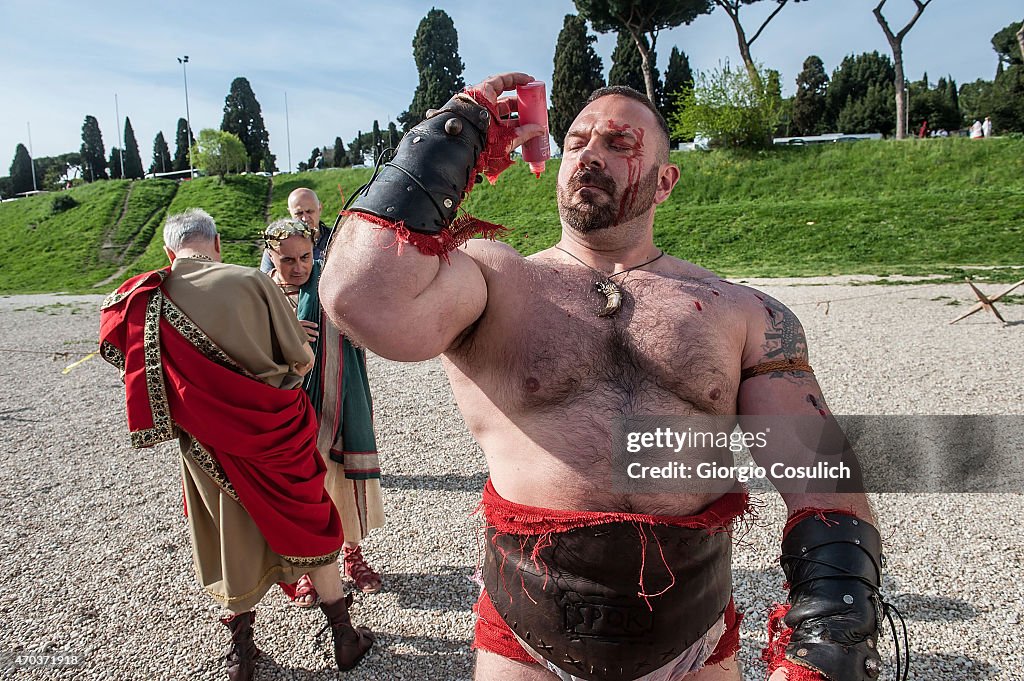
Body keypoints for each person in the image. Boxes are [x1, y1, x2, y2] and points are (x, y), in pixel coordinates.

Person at [320, 73, 891, 681]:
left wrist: (828, 645)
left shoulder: (741, 312)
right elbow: (360, 295)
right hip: (526, 640)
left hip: (693, 642)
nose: (591, 153)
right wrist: (456, 130)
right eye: (577, 141)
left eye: (620, 144)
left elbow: (822, 480)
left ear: (665, 181)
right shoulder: (493, 281)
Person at [99, 208, 373, 681]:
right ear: (217, 244)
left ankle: (241, 654)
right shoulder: (253, 282)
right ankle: (344, 637)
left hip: (207, 442)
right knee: (309, 518)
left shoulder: (147, 298)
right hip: (278, 434)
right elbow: (301, 359)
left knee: (230, 536)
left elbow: (130, 363)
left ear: (170, 252)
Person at [263, 218, 386, 602]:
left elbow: (367, 321)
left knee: (342, 482)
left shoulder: (331, 282)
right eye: (286, 260)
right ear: (270, 255)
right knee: (299, 491)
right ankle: (303, 568)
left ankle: (351, 554)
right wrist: (286, 337)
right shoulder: (259, 294)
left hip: (339, 399)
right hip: (287, 414)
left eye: (304, 257)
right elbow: (247, 353)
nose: (298, 267)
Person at [260, 187, 333, 273]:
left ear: (320, 208)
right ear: (290, 212)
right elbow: (265, 279)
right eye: (299, 213)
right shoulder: (278, 244)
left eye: (309, 211)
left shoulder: (336, 238)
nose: (305, 218)